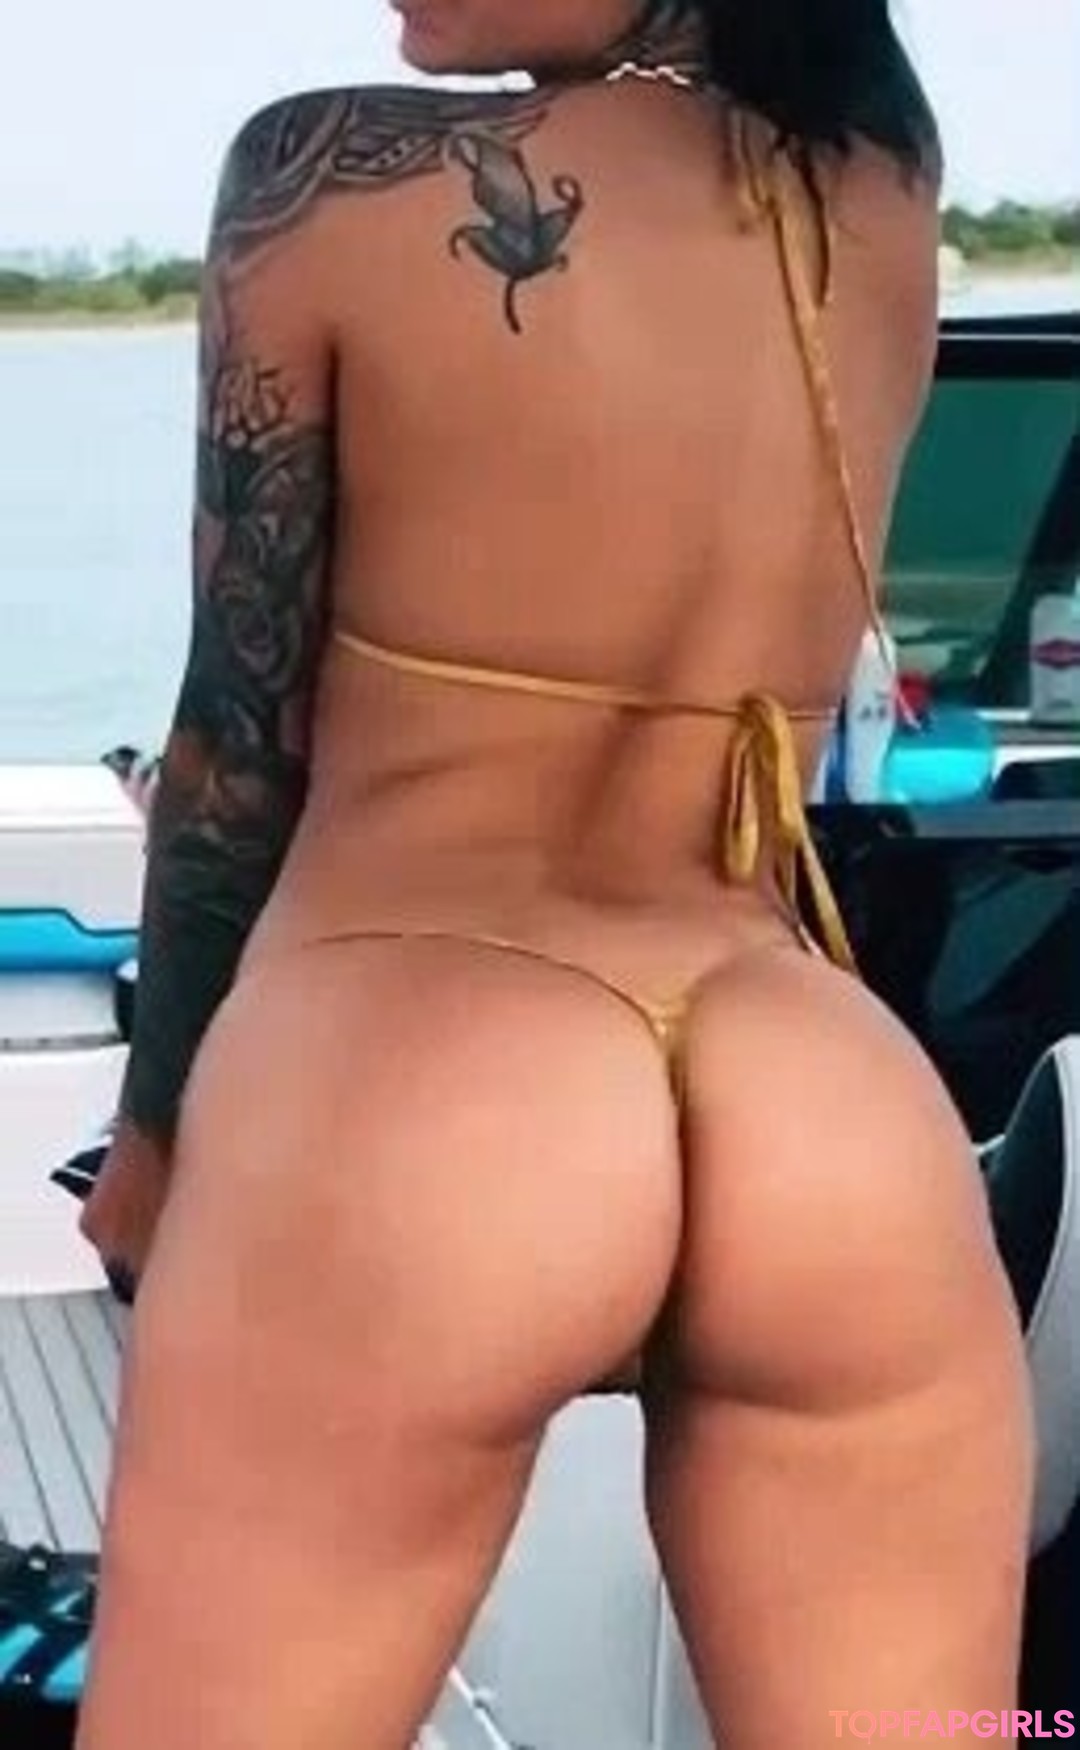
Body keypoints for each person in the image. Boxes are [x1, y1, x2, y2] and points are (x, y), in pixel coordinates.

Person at [75, 3, 1034, 1745]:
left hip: (427, 1071)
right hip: (818, 1099)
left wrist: (155, 1141)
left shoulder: (322, 179)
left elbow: (230, 750)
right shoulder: (877, 184)